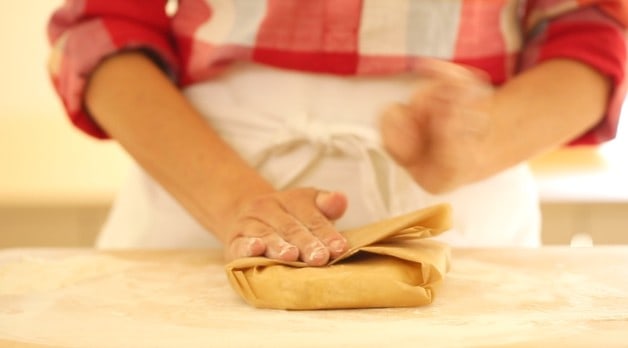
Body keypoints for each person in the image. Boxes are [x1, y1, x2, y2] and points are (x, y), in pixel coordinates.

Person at [48, 1, 627, 265]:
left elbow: (591, 28)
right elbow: (106, 23)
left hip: (462, 201)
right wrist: (234, 202)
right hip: (199, 191)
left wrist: (483, 142)